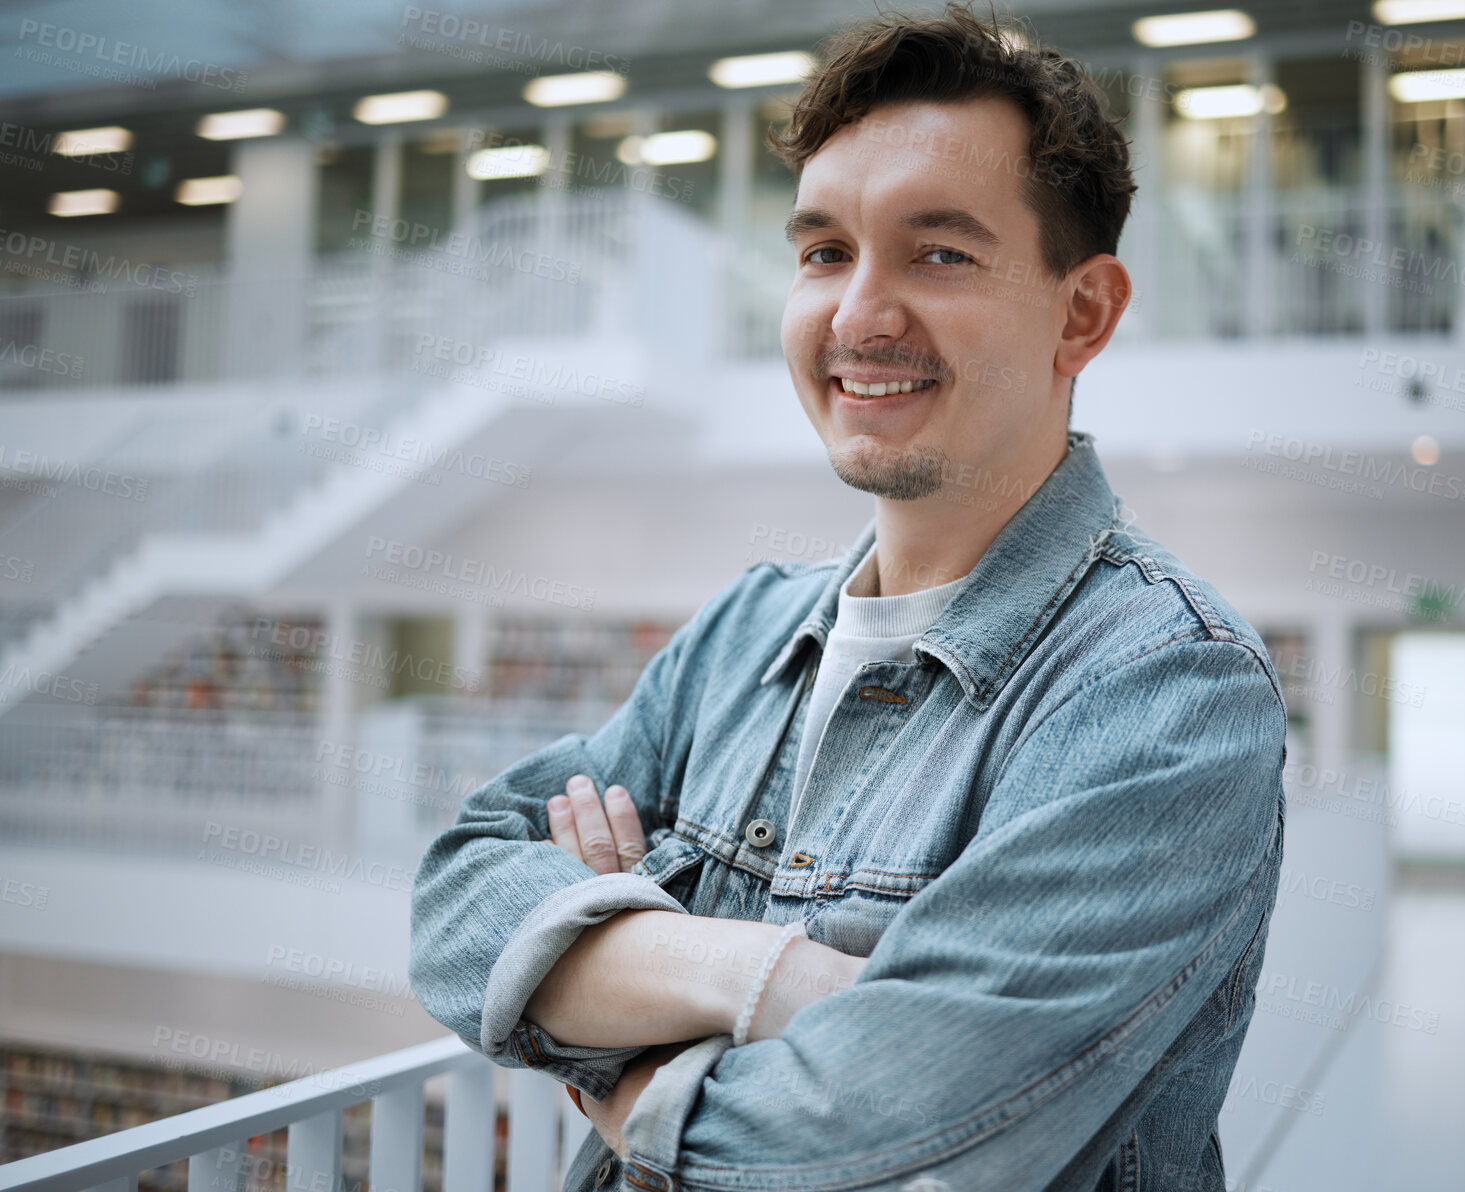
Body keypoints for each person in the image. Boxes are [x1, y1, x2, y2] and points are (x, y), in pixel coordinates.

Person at [409, 5, 1287, 1189]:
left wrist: (606, 1034)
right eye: (824, 251)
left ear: (1081, 313)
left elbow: (868, 1137)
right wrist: (752, 975)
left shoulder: (1165, 687)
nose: (858, 317)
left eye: (939, 252)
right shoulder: (743, 632)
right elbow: (460, 894)